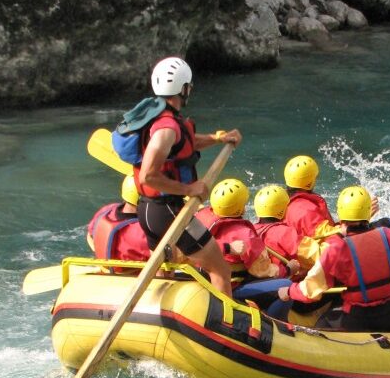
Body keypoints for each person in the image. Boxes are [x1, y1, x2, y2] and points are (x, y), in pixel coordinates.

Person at [130, 56, 242, 296]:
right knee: (221, 269)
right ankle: (227, 326)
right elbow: (148, 176)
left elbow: (185, 145)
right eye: (188, 86)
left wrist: (217, 139)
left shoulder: (157, 117)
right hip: (167, 211)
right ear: (183, 88)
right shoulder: (166, 127)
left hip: (147, 210)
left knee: (165, 268)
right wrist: (189, 190)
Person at [278, 186, 390, 333]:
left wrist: (289, 291)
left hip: (359, 320)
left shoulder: (337, 249)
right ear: (368, 212)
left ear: (340, 214)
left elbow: (311, 289)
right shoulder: (389, 236)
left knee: (321, 324)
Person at [196, 179, 293, 315]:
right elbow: (262, 270)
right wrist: (288, 269)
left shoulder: (200, 218)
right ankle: (275, 323)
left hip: (203, 280)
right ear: (240, 208)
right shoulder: (245, 234)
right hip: (231, 288)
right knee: (287, 286)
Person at [252, 184, 319, 280]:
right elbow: (314, 256)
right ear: (283, 209)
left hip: (262, 279)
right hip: (283, 282)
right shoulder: (284, 233)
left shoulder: (252, 231)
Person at [86, 175, 151, 269]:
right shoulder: (143, 232)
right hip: (134, 275)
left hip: (105, 269)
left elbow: (90, 235)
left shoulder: (106, 211)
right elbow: (173, 256)